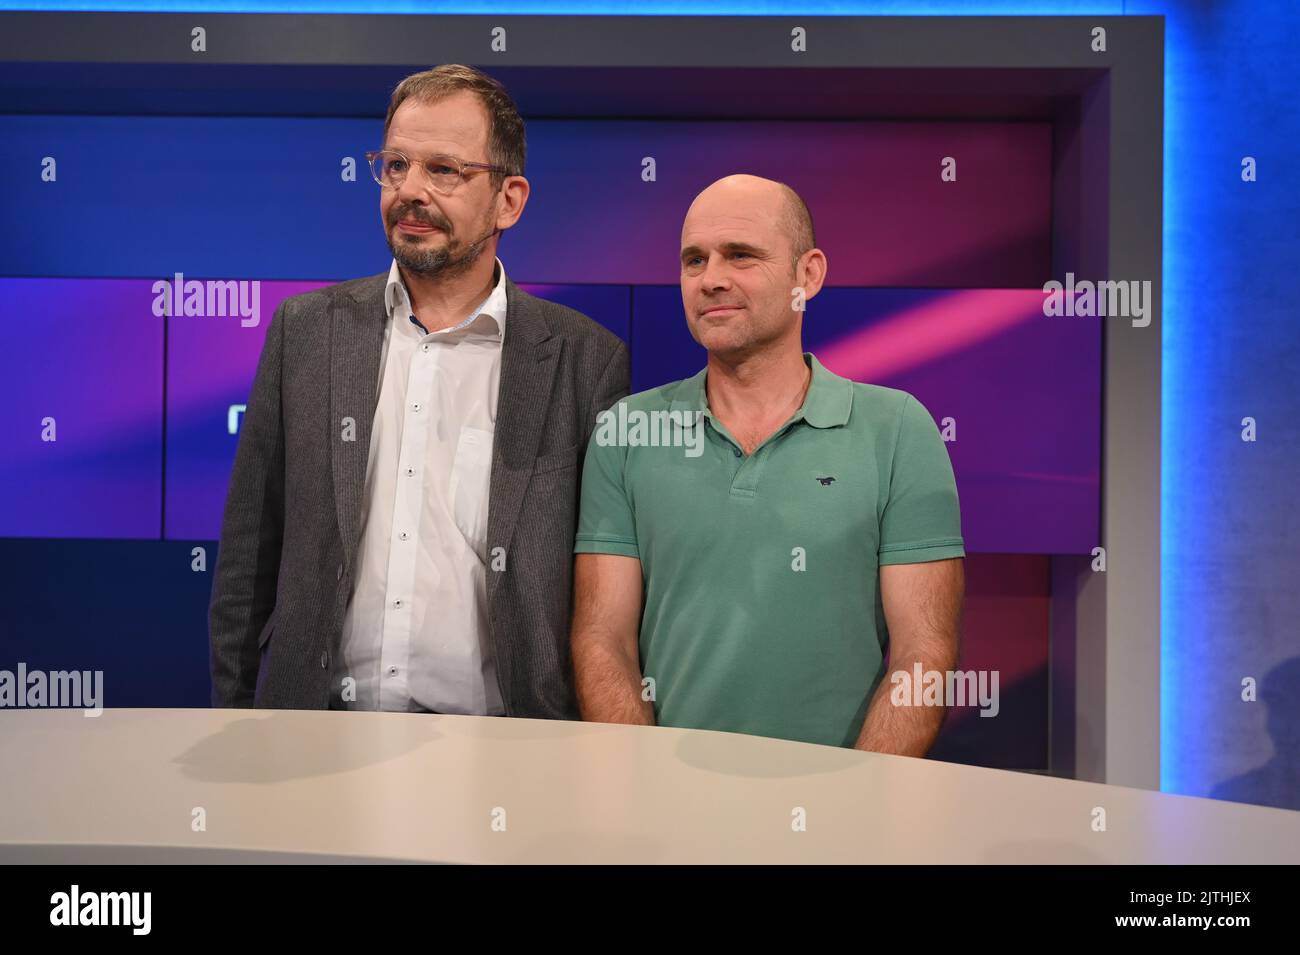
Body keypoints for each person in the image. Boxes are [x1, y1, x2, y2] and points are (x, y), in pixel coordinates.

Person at [210, 65, 629, 716]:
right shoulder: (306, 333)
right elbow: (246, 564)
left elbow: (603, 595)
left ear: (509, 200)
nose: (410, 190)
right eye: (396, 164)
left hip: (505, 758)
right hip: (312, 745)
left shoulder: (585, 361)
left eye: (444, 170)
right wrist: (236, 725)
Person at [571, 174, 963, 752]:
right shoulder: (626, 430)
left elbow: (923, 656)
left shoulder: (899, 429)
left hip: (839, 810)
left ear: (808, 275)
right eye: (694, 260)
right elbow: (602, 640)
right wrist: (641, 789)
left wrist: (856, 806)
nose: (712, 279)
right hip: (669, 812)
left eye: (741, 256)